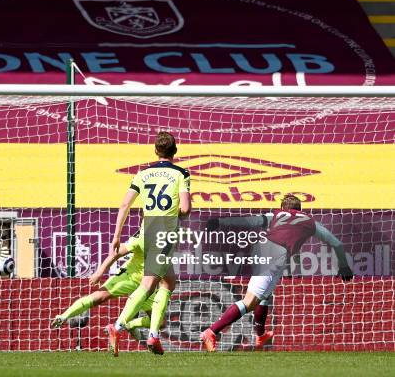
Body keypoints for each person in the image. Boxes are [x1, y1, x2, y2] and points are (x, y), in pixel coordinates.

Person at [200, 194, 354, 351]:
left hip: (261, 247)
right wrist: (344, 266)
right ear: (300, 209)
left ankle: (260, 335)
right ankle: (211, 332)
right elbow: (337, 243)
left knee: (264, 295)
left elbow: (250, 220)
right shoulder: (310, 221)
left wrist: (220, 222)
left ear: (283, 208)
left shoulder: (275, 214)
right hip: (276, 252)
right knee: (250, 301)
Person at [106, 132, 191, 356]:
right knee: (149, 284)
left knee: (168, 281)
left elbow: (125, 205)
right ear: (175, 151)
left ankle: (153, 334)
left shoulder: (143, 173)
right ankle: (118, 326)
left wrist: (116, 236)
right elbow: (185, 210)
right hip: (165, 231)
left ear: (155, 150)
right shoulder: (181, 173)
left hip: (146, 229)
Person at [51, 230, 156, 342]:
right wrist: (99, 273)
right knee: (100, 296)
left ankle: (128, 325)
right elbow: (116, 254)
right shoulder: (143, 235)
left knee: (159, 322)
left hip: (149, 282)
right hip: (130, 276)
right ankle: (63, 316)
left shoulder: (167, 235)